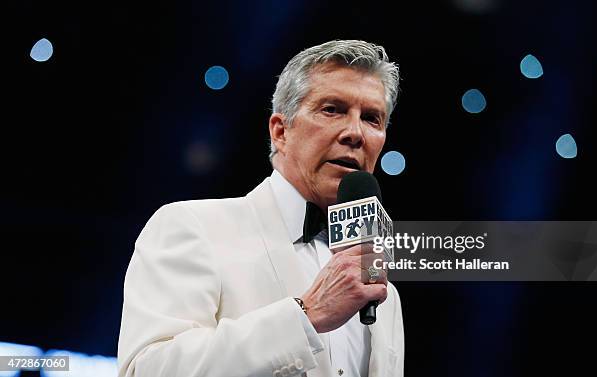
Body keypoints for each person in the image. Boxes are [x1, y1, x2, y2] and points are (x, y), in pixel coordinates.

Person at [117, 40, 404, 377]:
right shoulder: (192, 226)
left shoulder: (382, 290)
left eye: (371, 118)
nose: (355, 133)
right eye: (332, 109)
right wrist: (306, 314)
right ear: (280, 132)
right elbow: (148, 370)